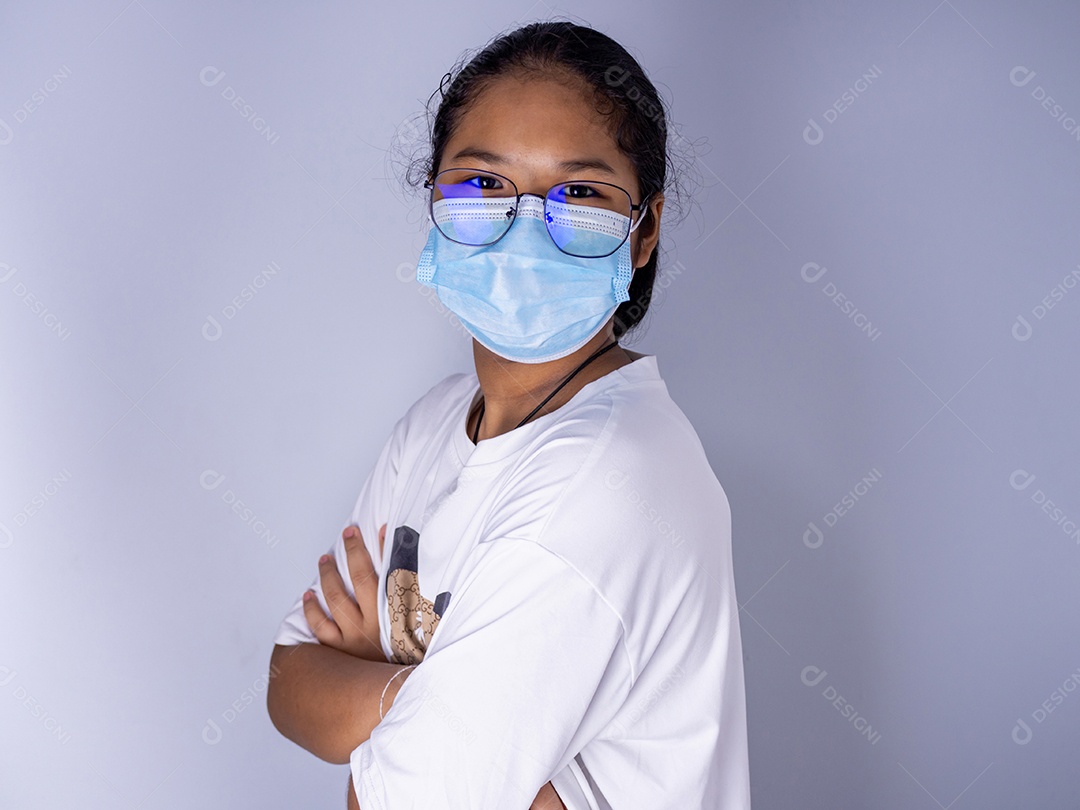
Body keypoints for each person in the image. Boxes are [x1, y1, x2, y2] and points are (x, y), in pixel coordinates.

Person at [266, 20, 750, 810]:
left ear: (645, 231)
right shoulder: (433, 426)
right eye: (484, 183)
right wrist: (422, 701)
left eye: (579, 193)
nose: (524, 229)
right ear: (435, 197)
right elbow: (289, 679)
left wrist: (377, 689)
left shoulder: (604, 486)